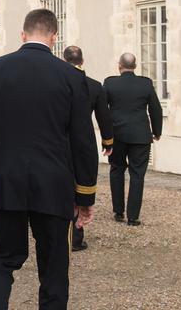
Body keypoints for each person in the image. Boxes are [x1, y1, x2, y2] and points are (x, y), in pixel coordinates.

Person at [0, 9, 98, 309]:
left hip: (6, 183)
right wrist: (85, 195)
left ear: (23, 35)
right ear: (54, 37)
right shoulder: (71, 76)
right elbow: (83, 141)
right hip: (54, 186)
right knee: (54, 271)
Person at [62, 45, 114, 251]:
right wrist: (108, 142)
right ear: (82, 62)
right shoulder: (94, 85)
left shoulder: (58, 83)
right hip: (83, 142)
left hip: (59, 141)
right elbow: (104, 117)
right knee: (81, 186)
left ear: (64, 61)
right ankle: (76, 236)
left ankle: (60, 233)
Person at [103, 52, 163, 226]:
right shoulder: (145, 83)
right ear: (135, 66)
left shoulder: (110, 83)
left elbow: (103, 110)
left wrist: (106, 134)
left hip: (117, 135)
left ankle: (118, 212)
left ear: (119, 65)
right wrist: (157, 131)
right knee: (137, 175)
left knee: (116, 170)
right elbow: (156, 109)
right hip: (140, 136)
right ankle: (133, 216)